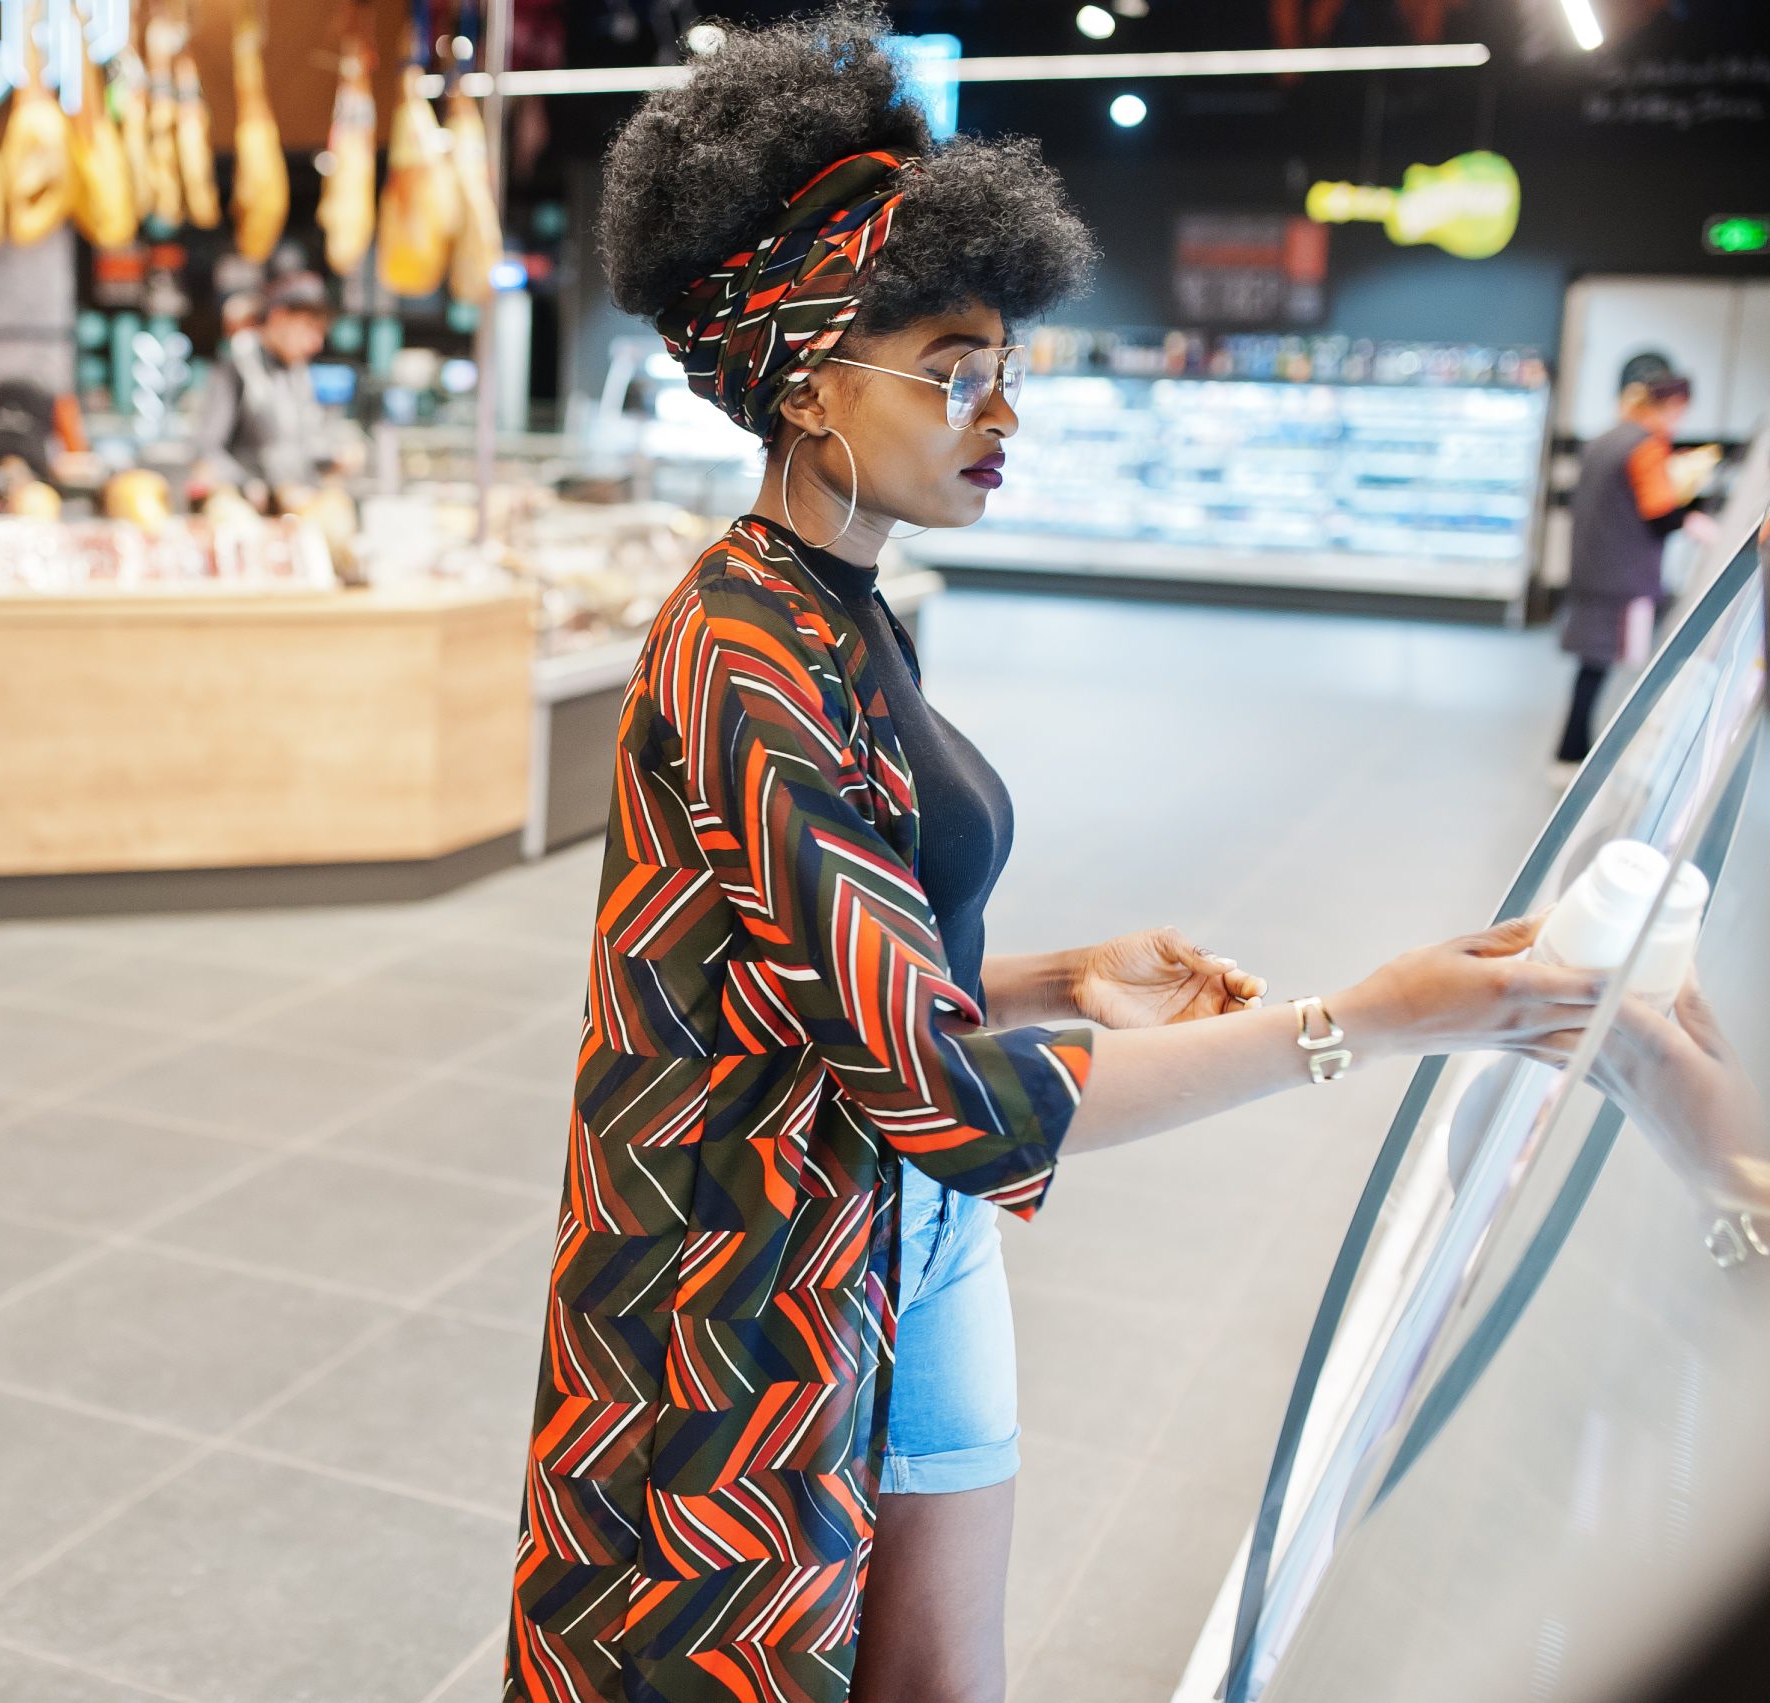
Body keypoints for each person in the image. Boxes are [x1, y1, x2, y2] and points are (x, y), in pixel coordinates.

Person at [500, 11, 1605, 1702]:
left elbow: (824, 967)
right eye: (952, 365)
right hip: (734, 1291)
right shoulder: (741, 654)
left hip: (893, 1230)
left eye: (1005, 365)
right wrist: (1369, 1018)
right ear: (808, 375)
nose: (999, 409)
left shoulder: (845, 611)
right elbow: (946, 1089)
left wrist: (1054, 972)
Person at [1554, 352, 1719, 771]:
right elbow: (1659, 513)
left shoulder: (1606, 438)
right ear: (1673, 406)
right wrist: (1693, 514)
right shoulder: (1646, 447)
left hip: (1593, 570)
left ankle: (1573, 753)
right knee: (1619, 668)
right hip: (1624, 579)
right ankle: (1586, 758)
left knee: (1592, 665)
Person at [189, 272, 342, 507]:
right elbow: (207, 449)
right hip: (250, 511)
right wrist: (252, 486)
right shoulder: (239, 365)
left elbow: (301, 443)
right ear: (279, 317)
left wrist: (332, 458)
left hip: (299, 506)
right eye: (310, 327)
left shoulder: (298, 371)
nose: (317, 342)